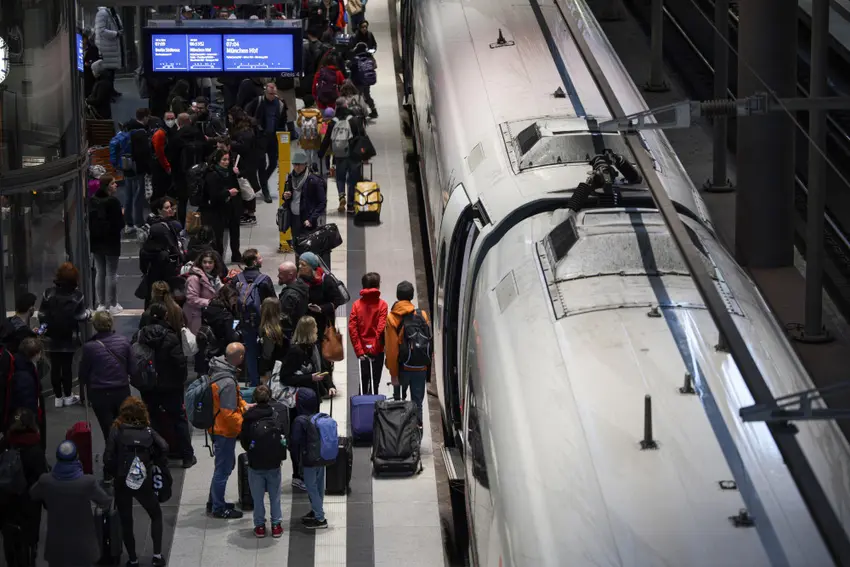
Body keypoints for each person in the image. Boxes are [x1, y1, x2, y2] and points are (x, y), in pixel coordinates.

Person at [103, 397, 169, 567]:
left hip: (122, 479)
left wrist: (114, 472)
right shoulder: (147, 430)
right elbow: (164, 446)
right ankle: (156, 556)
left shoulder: (116, 429)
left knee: (126, 520)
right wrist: (154, 461)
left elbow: (107, 457)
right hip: (143, 478)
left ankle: (133, 559)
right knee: (155, 514)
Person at [30, 440, 112, 567]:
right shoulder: (87, 482)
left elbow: (33, 494)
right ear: (77, 457)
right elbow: (105, 501)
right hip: (83, 546)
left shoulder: (46, 481)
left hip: (57, 547)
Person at [137, 302, 196, 469]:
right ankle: (187, 456)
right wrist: (180, 381)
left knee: (152, 420)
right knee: (179, 419)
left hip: (149, 386)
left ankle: (157, 456)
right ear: (166, 316)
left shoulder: (140, 335)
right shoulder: (171, 336)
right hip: (171, 386)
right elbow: (179, 363)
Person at [0, 409, 49, 567]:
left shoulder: (6, 444)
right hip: (29, 502)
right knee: (29, 540)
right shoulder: (35, 449)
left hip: (7, 499)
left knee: (9, 538)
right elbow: (42, 478)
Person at [207, 343, 249, 519]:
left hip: (215, 426)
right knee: (223, 469)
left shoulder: (217, 369)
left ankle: (214, 501)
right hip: (223, 431)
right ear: (239, 357)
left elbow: (232, 402)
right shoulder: (228, 382)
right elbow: (229, 414)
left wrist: (244, 406)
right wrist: (243, 426)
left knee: (222, 467)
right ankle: (218, 508)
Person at [39, 262, 88, 408]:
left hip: (51, 336)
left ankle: (58, 398)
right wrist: (89, 314)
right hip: (70, 336)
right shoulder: (78, 296)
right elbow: (81, 316)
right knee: (67, 367)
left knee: (55, 366)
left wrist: (43, 329)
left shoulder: (48, 293)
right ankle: (68, 395)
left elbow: (42, 314)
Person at [239, 384, 285, 538]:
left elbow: (244, 442)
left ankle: (259, 526)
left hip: (255, 463)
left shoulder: (248, 417)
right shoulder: (276, 414)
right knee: (275, 496)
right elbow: (283, 436)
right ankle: (276, 525)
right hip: (274, 463)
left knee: (257, 498)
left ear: (254, 399)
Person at [78, 311, 132, 442]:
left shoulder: (89, 347)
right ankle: (124, 456)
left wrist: (83, 394)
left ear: (95, 325)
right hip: (121, 390)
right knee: (124, 426)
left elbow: (83, 374)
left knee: (107, 429)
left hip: (99, 393)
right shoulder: (124, 342)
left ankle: (111, 457)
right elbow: (132, 368)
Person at [385, 281, 432, 425]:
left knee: (399, 404)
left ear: (397, 296)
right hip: (420, 368)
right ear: (412, 296)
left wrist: (393, 374)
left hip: (402, 368)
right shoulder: (422, 315)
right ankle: (416, 439)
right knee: (417, 404)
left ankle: (401, 436)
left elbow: (392, 351)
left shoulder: (392, 318)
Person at [234, 249, 277, 387]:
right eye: (259, 257)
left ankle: (254, 383)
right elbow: (273, 301)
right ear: (254, 261)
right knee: (267, 351)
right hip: (264, 322)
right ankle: (266, 380)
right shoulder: (264, 280)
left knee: (251, 353)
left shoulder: (237, 279)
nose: (262, 259)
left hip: (245, 322)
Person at [289, 385, 328, 529]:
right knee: (318, 486)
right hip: (321, 457)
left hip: (309, 459)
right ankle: (316, 511)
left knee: (311, 487)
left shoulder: (300, 420)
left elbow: (295, 442)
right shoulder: (318, 417)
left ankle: (320, 518)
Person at [245, 83, 289, 203]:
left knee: (273, 163)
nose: (272, 96)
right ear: (265, 92)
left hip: (273, 137)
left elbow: (283, 119)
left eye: (274, 94)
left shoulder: (280, 103)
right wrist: (254, 122)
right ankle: (265, 190)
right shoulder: (258, 101)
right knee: (261, 164)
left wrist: (282, 133)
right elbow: (246, 113)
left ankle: (263, 181)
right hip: (260, 137)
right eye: (270, 94)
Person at [319, 105, 367, 214]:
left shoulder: (333, 123)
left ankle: (341, 196)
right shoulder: (355, 121)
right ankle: (350, 205)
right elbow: (362, 137)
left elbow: (327, 139)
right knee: (352, 180)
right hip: (353, 155)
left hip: (339, 156)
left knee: (340, 178)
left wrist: (321, 153)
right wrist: (364, 154)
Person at [90, 174, 125, 314]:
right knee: (111, 273)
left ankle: (101, 304)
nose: (116, 185)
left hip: (96, 241)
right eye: (113, 183)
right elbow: (120, 224)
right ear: (107, 186)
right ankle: (113, 304)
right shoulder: (113, 202)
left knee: (100, 272)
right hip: (111, 241)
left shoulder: (93, 200)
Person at [296, 252, 344, 356]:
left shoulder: (326, 280)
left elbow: (337, 300)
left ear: (311, 266)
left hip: (323, 323)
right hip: (306, 324)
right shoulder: (299, 280)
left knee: (322, 352)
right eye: (299, 264)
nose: (299, 267)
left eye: (303, 265)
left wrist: (321, 308)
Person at [140, 197, 184, 307]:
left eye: (171, 207)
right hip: (163, 268)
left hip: (154, 268)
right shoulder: (165, 227)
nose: (170, 210)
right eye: (167, 208)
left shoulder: (155, 225)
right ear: (159, 210)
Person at [349, 272, 388, 395]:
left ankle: (361, 409)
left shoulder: (356, 305)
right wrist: (375, 349)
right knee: (375, 382)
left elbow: (353, 329)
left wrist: (360, 351)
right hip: (378, 351)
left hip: (363, 351)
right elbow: (381, 329)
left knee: (363, 381)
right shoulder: (382, 305)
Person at [202, 150, 243, 263]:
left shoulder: (230, 171)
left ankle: (236, 255)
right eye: (224, 160)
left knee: (235, 232)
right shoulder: (212, 174)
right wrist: (228, 193)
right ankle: (218, 259)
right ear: (217, 160)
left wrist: (238, 174)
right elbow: (213, 194)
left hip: (232, 207)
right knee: (218, 236)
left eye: (228, 159)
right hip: (218, 209)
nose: (226, 162)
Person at [281, 151, 328, 247]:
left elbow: (322, 202)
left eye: (299, 165)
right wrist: (285, 196)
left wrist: (311, 219)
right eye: (295, 164)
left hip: (307, 219)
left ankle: (305, 262)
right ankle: (298, 262)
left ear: (305, 165)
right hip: (294, 218)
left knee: (307, 246)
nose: (297, 167)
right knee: (296, 244)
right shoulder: (290, 177)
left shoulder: (314, 180)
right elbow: (285, 195)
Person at [184, 251, 221, 335]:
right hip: (195, 316)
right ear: (200, 263)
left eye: (210, 262)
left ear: (214, 263)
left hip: (207, 314)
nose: (207, 265)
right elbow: (192, 299)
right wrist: (210, 302)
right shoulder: (194, 278)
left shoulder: (214, 276)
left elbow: (219, 290)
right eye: (205, 262)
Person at [93, 5, 124, 97]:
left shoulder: (113, 12)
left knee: (111, 71)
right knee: (107, 72)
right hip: (106, 47)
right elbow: (101, 31)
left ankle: (111, 90)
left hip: (112, 46)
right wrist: (116, 34)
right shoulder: (102, 13)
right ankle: (106, 93)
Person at [259, 298, 288, 382]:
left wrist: (262, 370)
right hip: (285, 364)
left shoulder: (269, 330)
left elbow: (267, 354)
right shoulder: (286, 322)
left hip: (273, 369)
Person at [277, 261, 309, 336]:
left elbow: (283, 316)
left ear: (290, 275)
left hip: (290, 334)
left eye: (281, 273)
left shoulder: (290, 295)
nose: (278, 276)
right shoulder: (302, 285)